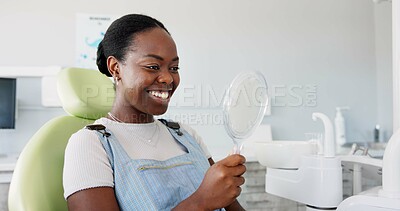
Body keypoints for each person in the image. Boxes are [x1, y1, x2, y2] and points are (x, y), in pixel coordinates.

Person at [63, 14, 246, 211]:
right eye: (152, 66)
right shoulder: (90, 144)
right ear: (116, 68)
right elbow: (206, 200)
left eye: (174, 68)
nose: (168, 78)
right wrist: (200, 202)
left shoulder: (184, 135)